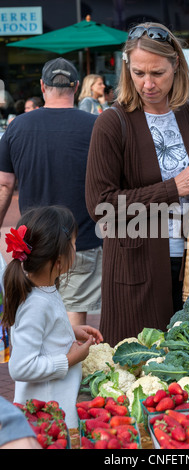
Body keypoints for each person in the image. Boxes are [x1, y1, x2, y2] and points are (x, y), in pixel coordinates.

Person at [85, 22, 189, 346]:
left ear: (176, 65)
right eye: (138, 73)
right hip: (137, 270)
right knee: (140, 371)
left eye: (157, 73)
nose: (147, 84)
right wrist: (172, 187)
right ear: (127, 69)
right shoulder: (112, 122)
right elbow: (100, 206)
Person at [0, 57, 103, 327]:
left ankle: (45, 366)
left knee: (37, 310)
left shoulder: (16, 127)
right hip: (82, 240)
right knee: (74, 315)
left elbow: (4, 185)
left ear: (43, 88)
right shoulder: (95, 127)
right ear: (77, 87)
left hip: (33, 241)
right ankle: (71, 368)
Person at [1, 205, 103, 429]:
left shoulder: (44, 289)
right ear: (58, 261)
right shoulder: (35, 304)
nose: (76, 249)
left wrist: (70, 331)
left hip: (55, 406)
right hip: (47, 416)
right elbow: (20, 368)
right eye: (74, 245)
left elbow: (43, 333)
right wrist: (69, 360)